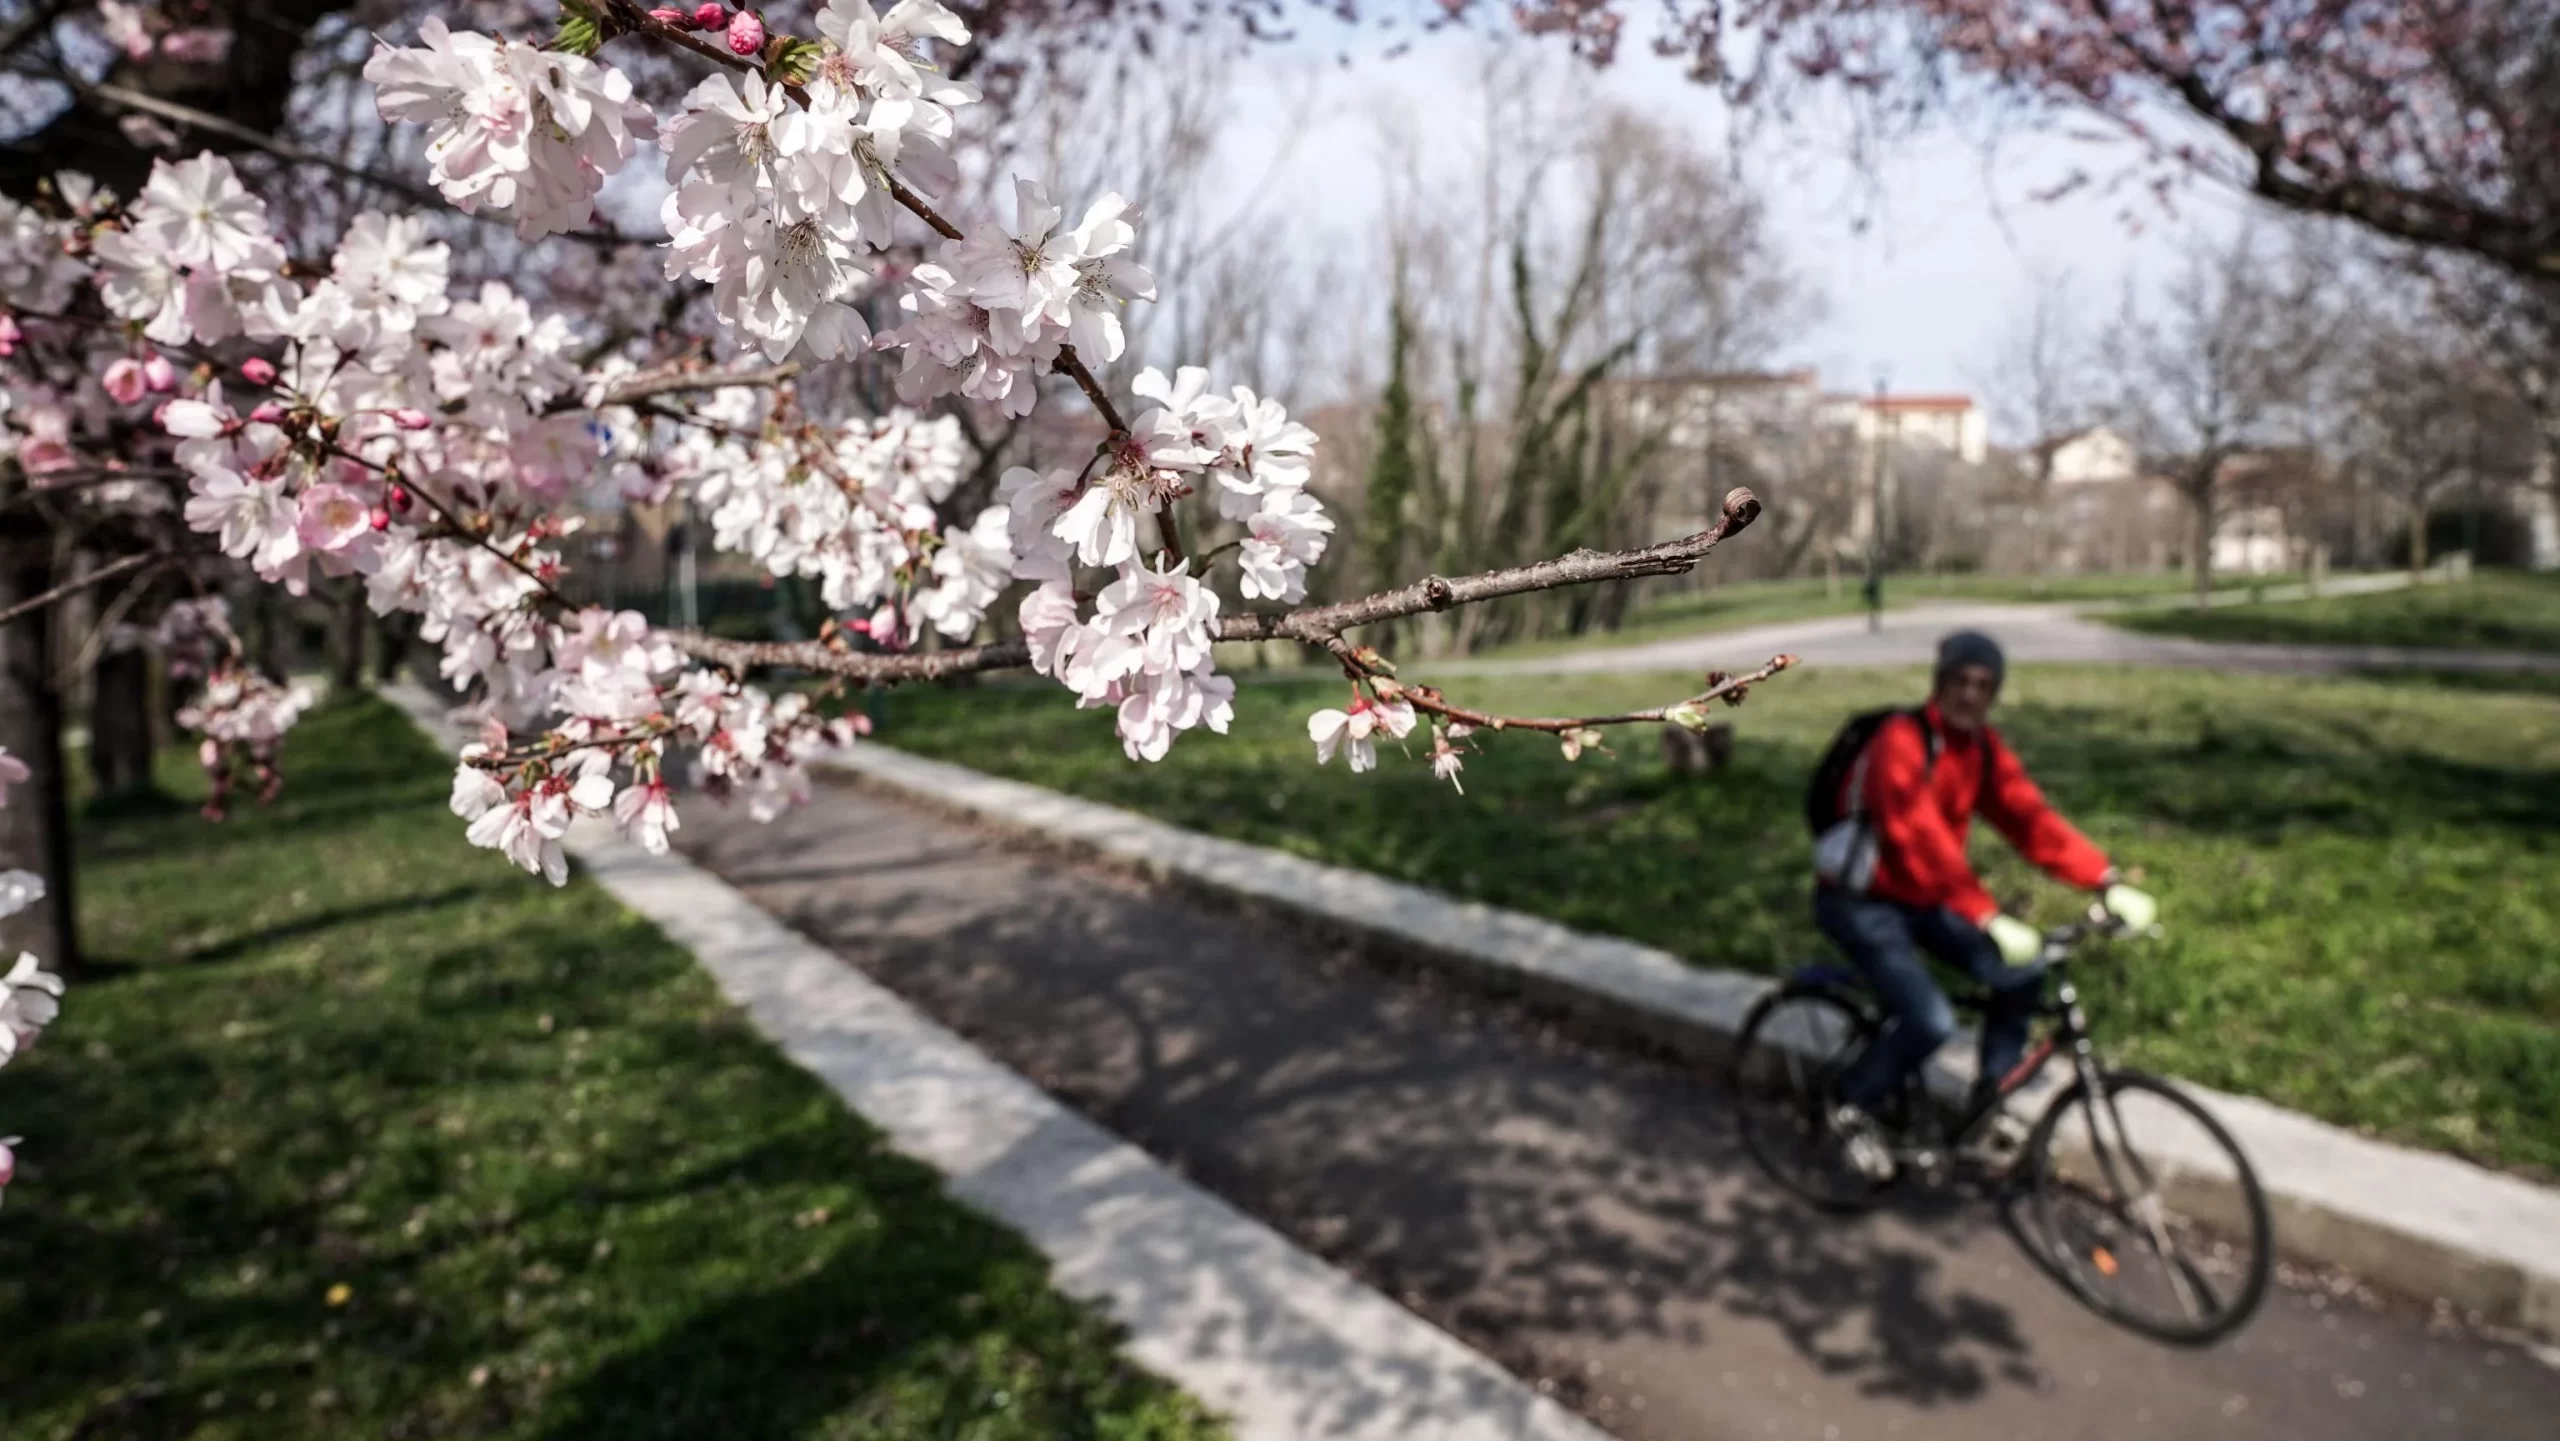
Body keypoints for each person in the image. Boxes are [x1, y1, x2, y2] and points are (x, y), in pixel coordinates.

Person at [1815, 630, 2155, 1180]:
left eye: (1983, 685)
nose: (1970, 694)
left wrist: (2104, 879)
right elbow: (1916, 837)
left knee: (2023, 973)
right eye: (1960, 680)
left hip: (1925, 898)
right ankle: (1851, 1105)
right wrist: (1985, 914)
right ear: (1940, 682)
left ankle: (1989, 1103)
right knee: (1930, 1020)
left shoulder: (1981, 750)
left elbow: (2031, 820)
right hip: (1861, 902)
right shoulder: (1903, 739)